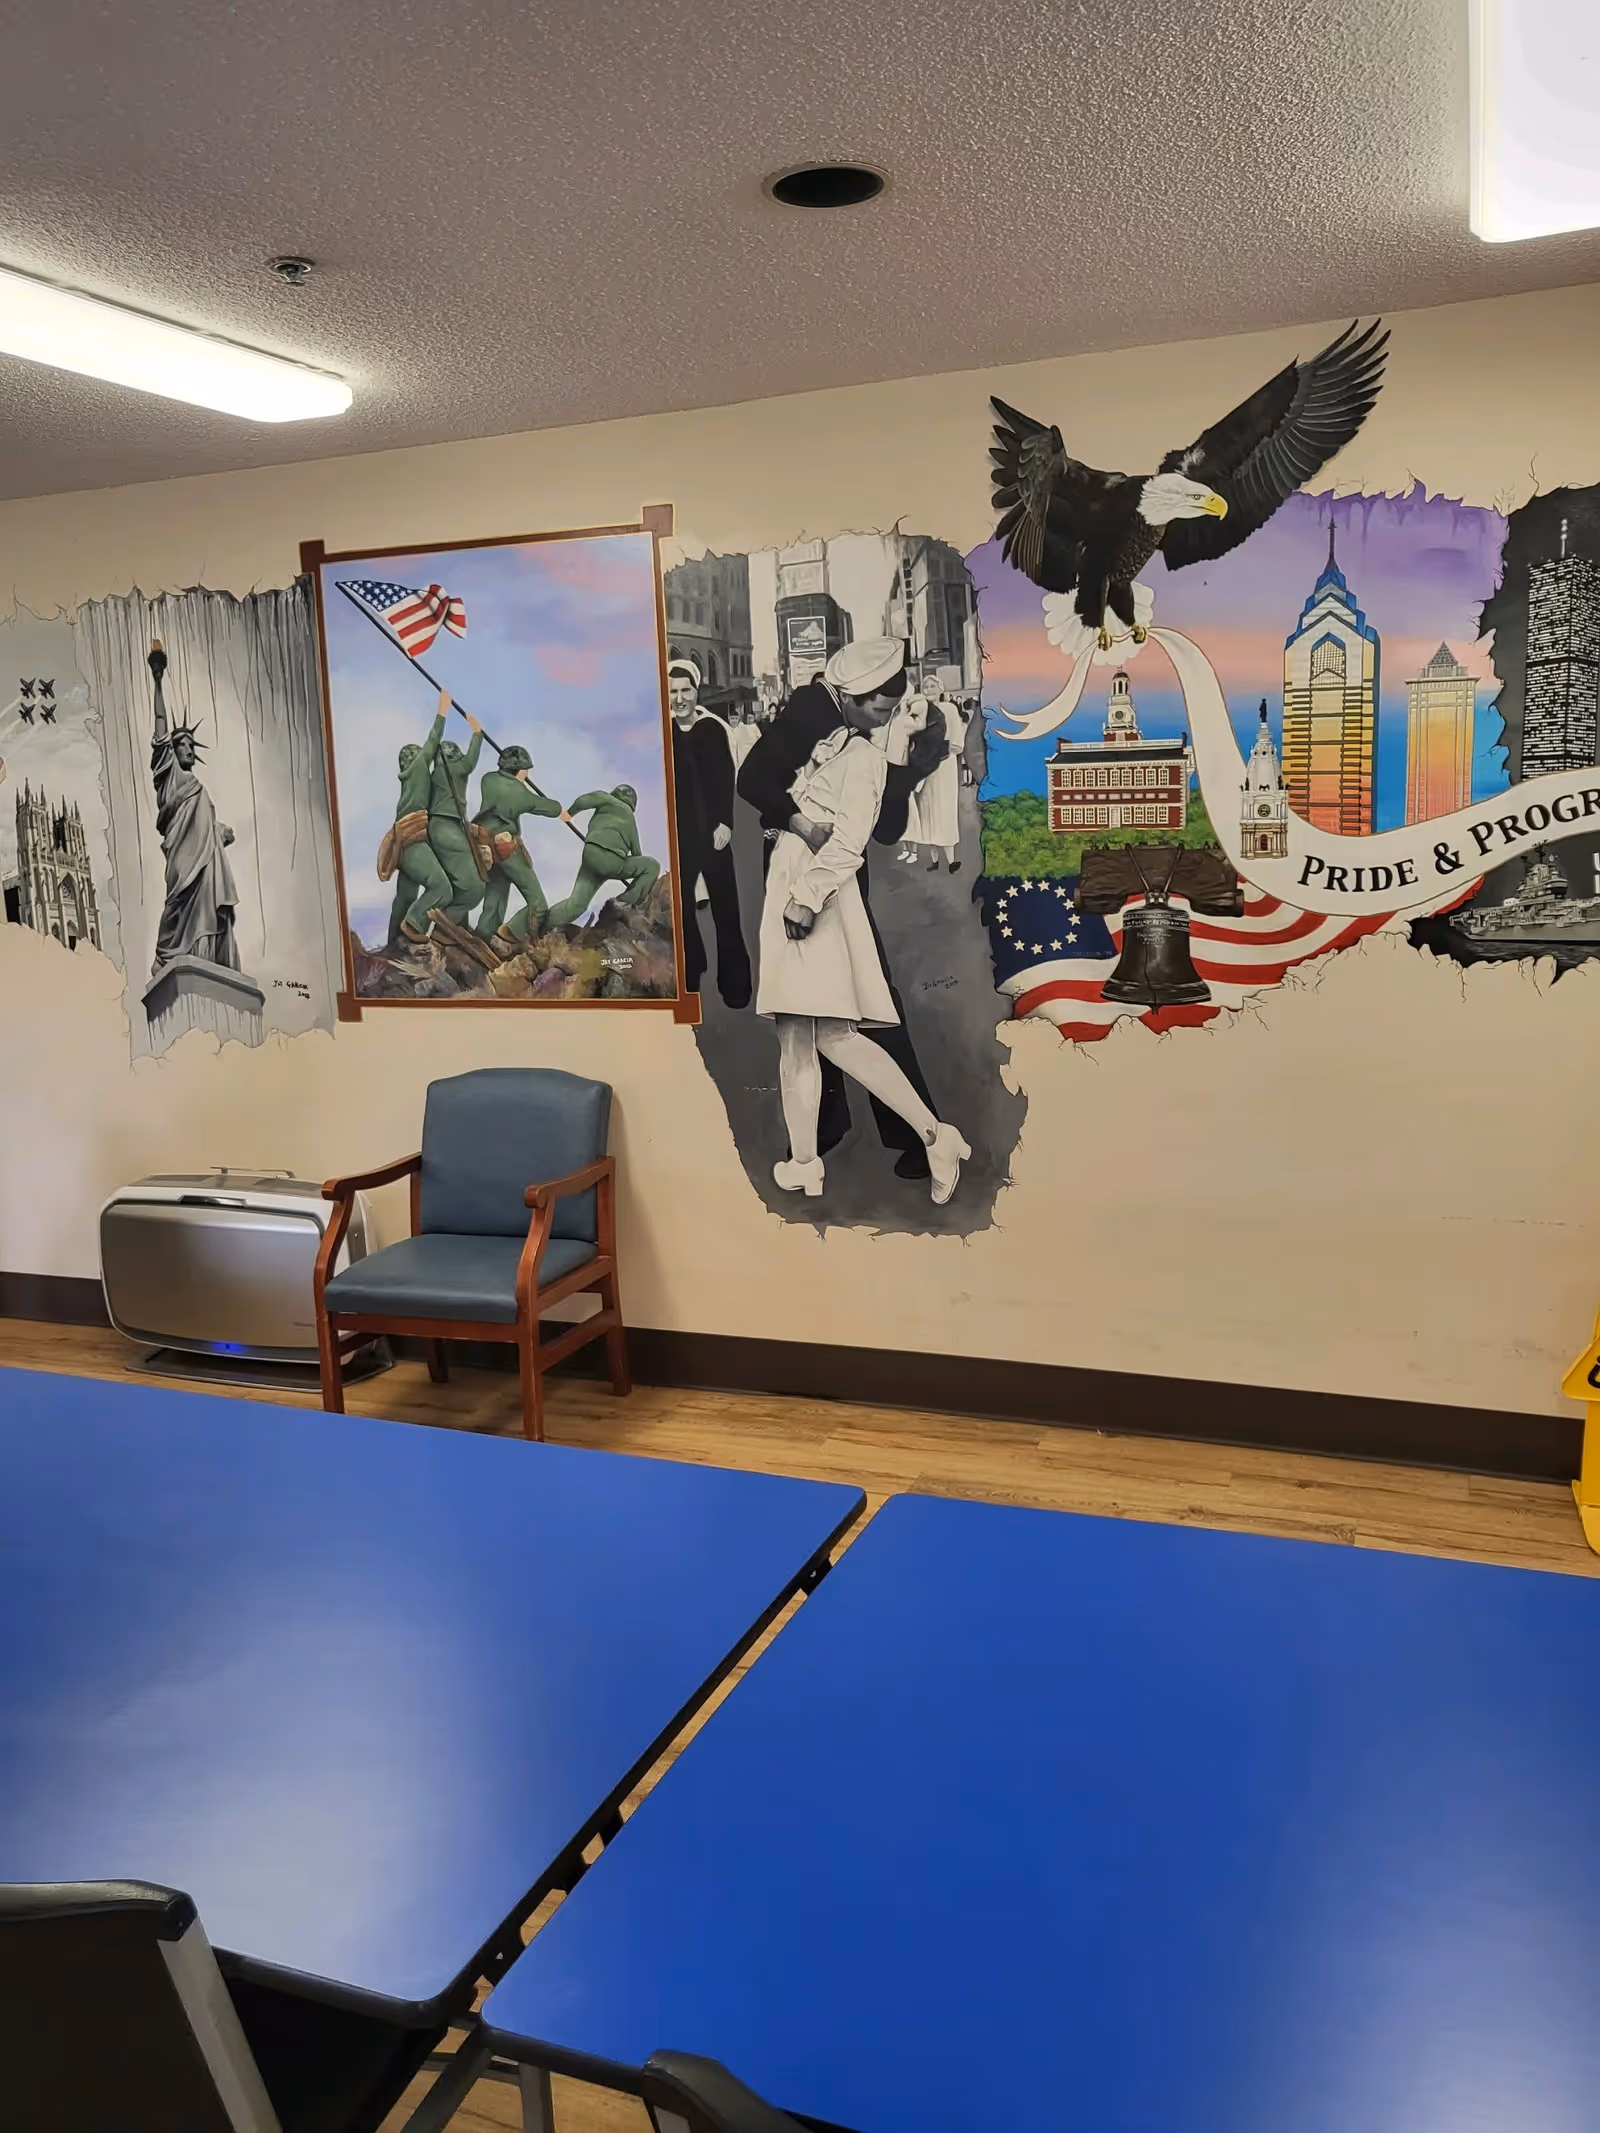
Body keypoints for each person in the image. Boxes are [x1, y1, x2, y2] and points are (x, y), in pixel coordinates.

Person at [754, 641, 970, 1207]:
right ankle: (807, 1164)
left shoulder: (868, 761)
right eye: (877, 706)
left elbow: (850, 844)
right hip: (798, 884)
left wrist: (804, 897)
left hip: (816, 893)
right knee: (800, 1034)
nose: (884, 715)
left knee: (830, 1035)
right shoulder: (838, 744)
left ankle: (933, 1135)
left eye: (891, 709)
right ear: (851, 699)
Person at [669, 657, 752, 1009]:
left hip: (713, 831)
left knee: (725, 907)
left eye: (685, 690)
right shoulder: (664, 730)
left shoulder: (713, 729)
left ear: (696, 690)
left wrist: (725, 822)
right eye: (672, 691)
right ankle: (690, 972)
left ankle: (735, 984)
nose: (679, 697)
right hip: (679, 834)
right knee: (680, 908)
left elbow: (724, 779)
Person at [469, 743, 566, 950]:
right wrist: (556, 807)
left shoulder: (488, 779)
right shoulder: (520, 794)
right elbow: (551, 808)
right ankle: (509, 931)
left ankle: (484, 938)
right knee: (538, 904)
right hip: (506, 848)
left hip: (485, 845)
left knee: (496, 893)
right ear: (521, 770)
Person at [380, 690, 455, 944]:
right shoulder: (419, 768)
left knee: (405, 895)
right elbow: (433, 741)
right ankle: (413, 924)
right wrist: (442, 711)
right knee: (441, 887)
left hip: (404, 843)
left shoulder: (409, 780)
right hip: (414, 842)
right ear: (415, 760)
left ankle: (393, 943)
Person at [544, 784, 661, 927]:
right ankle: (623, 902)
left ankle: (542, 927)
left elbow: (583, 800)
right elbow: (636, 852)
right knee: (652, 865)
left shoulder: (605, 798)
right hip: (613, 862)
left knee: (576, 905)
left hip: (591, 857)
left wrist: (569, 814)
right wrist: (637, 886)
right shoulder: (630, 817)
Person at [901, 690, 973, 872]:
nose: (930, 692)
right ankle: (934, 860)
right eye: (926, 688)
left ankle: (951, 860)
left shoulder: (948, 709)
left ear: (940, 690)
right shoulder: (920, 712)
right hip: (927, 768)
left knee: (944, 814)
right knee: (928, 816)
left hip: (943, 765)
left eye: (933, 688)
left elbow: (956, 741)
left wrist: (943, 748)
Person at [426, 715, 487, 926]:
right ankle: (445, 927)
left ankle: (458, 925)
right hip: (449, 828)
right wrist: (477, 733)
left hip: (437, 828)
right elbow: (470, 761)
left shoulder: (435, 774)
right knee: (475, 888)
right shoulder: (455, 769)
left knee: (457, 882)